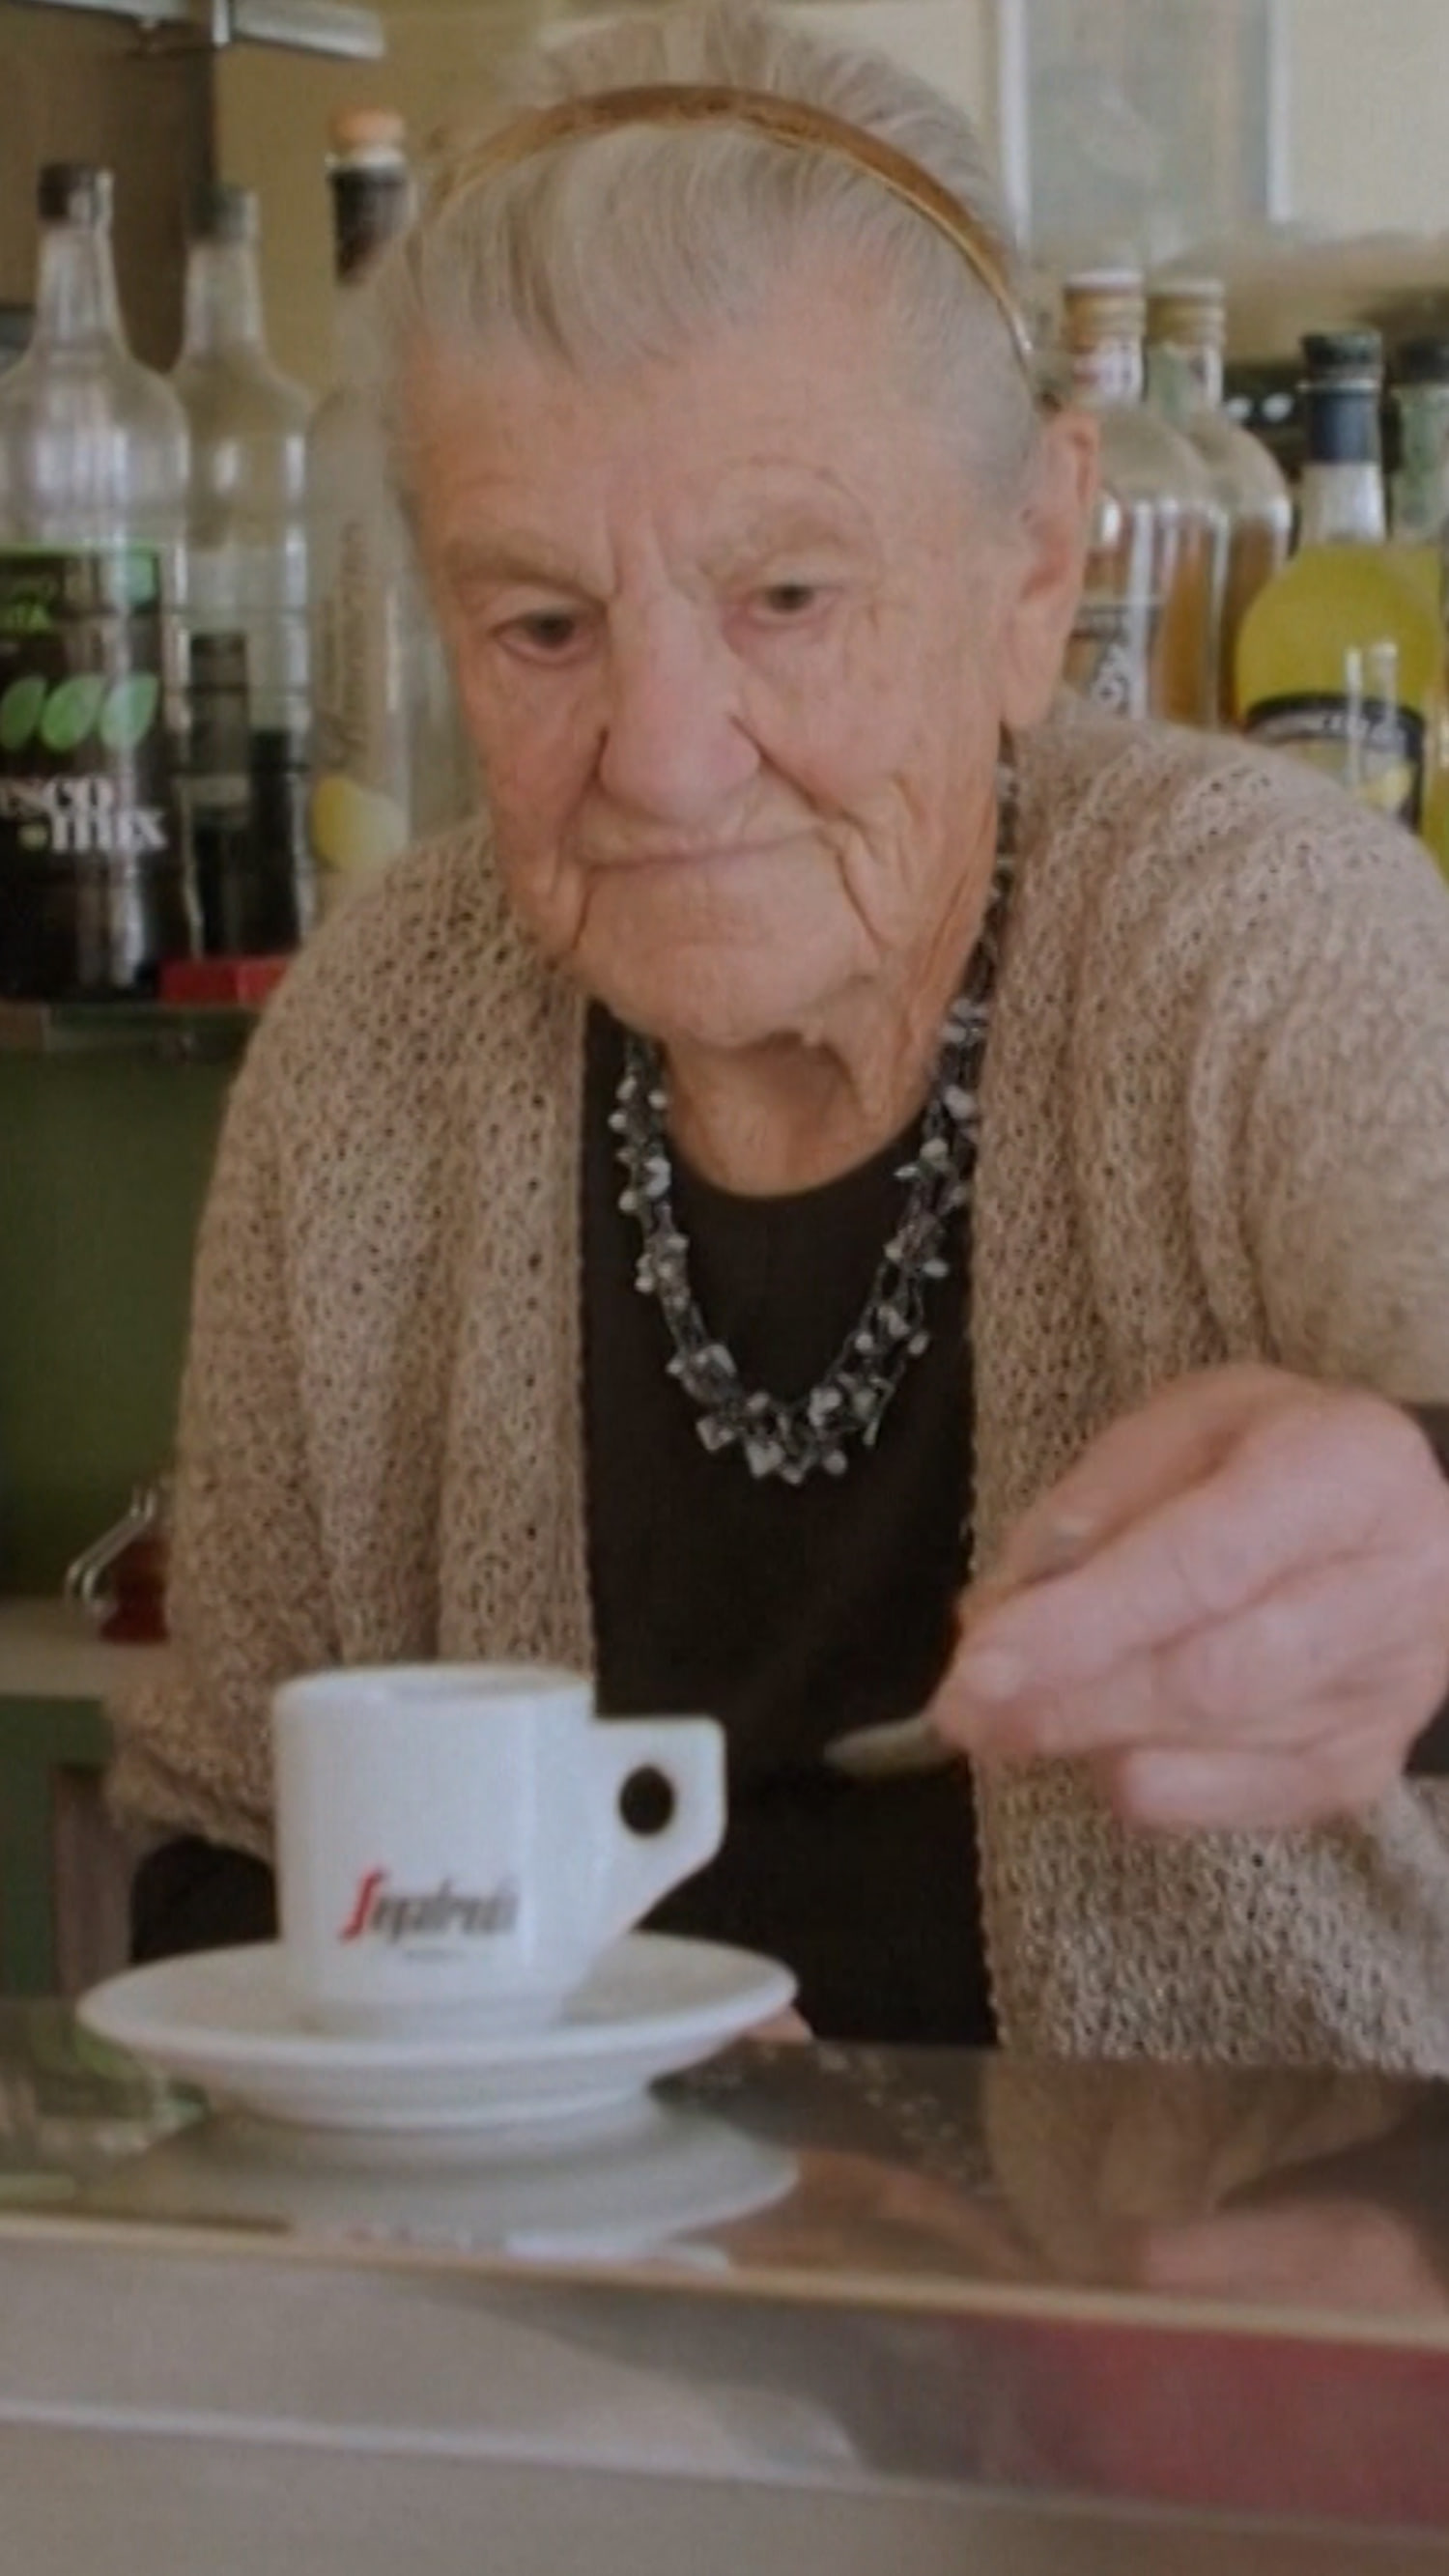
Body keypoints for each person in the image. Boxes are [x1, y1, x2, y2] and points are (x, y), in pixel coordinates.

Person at [112, 0, 1449, 2068]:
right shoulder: (379, 1037)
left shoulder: (1252, 934)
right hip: (592, 2348)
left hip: (1251, 2335)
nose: (657, 755)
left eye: (788, 600)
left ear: (1031, 563)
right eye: (541, 624)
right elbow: (214, 1849)